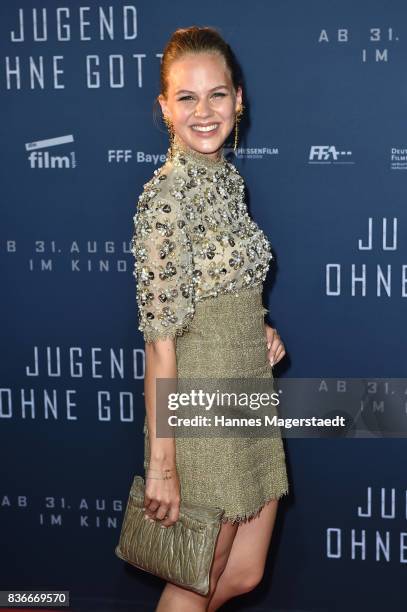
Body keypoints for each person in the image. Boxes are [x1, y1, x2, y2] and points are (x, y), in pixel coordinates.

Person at [131, 25, 289, 612]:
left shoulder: (226, 180)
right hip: (197, 409)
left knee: (242, 573)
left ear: (238, 99)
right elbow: (160, 345)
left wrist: (259, 328)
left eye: (217, 95)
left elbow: (224, 286)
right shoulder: (165, 199)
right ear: (165, 107)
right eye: (187, 98)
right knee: (197, 574)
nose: (204, 112)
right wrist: (161, 466)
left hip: (246, 387)